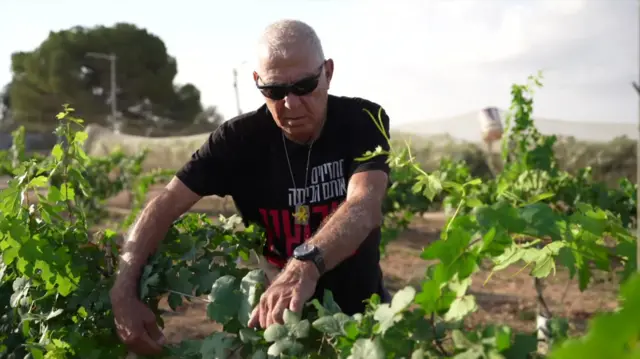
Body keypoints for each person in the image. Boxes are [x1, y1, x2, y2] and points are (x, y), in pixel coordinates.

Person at [109, 19, 392, 356]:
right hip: (278, 329)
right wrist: (122, 291)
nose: (290, 105)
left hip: (362, 324)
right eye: (274, 91)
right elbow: (165, 203)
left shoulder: (363, 120)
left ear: (327, 73)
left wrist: (305, 265)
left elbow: (364, 204)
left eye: (304, 86)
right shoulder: (237, 141)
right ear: (258, 83)